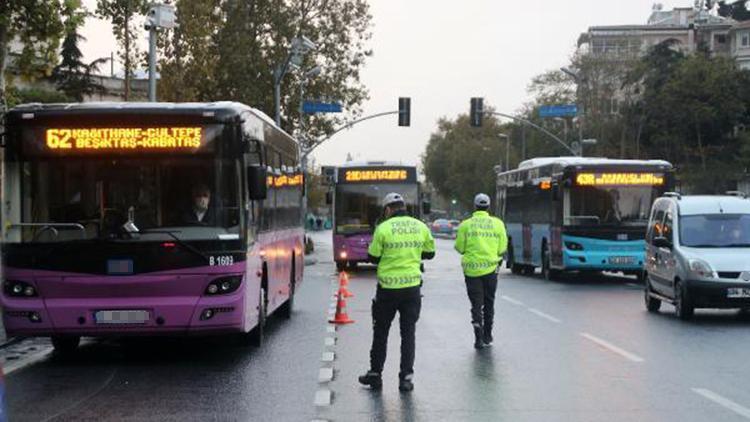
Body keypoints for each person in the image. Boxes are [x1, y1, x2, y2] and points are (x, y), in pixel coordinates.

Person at [358, 193, 435, 392]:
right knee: (408, 334)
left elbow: (373, 257)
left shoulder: (383, 228)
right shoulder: (420, 226)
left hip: (388, 290)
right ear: (404, 207)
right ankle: (406, 379)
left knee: (381, 332)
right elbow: (430, 253)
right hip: (412, 289)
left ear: (388, 210)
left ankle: (375, 375)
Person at [454, 193, 508, 349]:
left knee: (476, 304)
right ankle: (487, 336)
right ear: (489, 207)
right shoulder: (498, 224)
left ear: (475, 206)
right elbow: (502, 248)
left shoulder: (465, 225)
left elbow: (459, 247)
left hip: (471, 271)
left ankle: (477, 335)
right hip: (491, 270)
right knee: (489, 302)